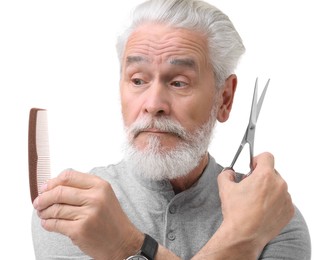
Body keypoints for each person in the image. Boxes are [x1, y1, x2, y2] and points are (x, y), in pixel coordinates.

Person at [31, 0, 311, 259]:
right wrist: (240, 237)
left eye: (179, 82)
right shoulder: (71, 210)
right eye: (138, 80)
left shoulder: (274, 215)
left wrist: (127, 248)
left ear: (224, 99)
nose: (153, 105)